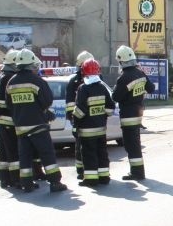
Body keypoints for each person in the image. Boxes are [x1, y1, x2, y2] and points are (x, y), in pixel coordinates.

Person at [5, 48, 67, 193]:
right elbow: (47, 101)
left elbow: (9, 105)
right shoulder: (37, 81)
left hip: (21, 127)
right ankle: (55, 182)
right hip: (38, 125)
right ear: (31, 65)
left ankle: (26, 183)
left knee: (25, 156)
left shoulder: (11, 83)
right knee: (47, 153)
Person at [112, 45, 155, 181]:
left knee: (131, 145)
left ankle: (137, 173)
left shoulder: (124, 78)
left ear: (121, 62)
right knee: (135, 143)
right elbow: (151, 88)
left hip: (128, 116)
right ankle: (138, 171)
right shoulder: (140, 73)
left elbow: (115, 97)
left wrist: (116, 88)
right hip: (138, 114)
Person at [73, 58, 115, 187]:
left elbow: (80, 110)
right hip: (101, 129)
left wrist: (75, 124)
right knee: (102, 152)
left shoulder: (83, 88)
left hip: (86, 130)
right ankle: (104, 177)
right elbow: (110, 108)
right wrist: (102, 115)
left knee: (88, 154)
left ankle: (91, 179)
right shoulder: (102, 87)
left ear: (84, 72)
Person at [0, 51, 20, 188]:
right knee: (12, 150)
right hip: (8, 120)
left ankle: (5, 178)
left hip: (3, 119)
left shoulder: (4, 75)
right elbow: (2, 100)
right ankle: (15, 179)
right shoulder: (9, 77)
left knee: (5, 151)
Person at [65, 50, 94, 180]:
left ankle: (93, 170)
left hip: (92, 118)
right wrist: (73, 117)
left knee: (92, 146)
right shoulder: (74, 81)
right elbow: (70, 102)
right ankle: (81, 170)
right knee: (79, 145)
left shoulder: (95, 79)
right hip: (79, 118)